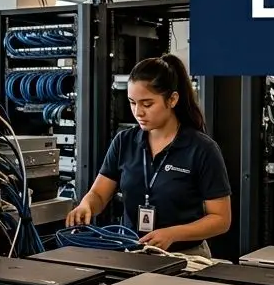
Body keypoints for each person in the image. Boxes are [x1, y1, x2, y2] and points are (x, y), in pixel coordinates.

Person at [65, 54, 232, 257]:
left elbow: (221, 219)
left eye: (147, 104)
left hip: (186, 257)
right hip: (132, 253)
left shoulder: (202, 149)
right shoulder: (124, 142)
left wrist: (173, 234)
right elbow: (99, 194)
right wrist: (86, 205)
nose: (138, 112)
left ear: (172, 99)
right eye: (132, 103)